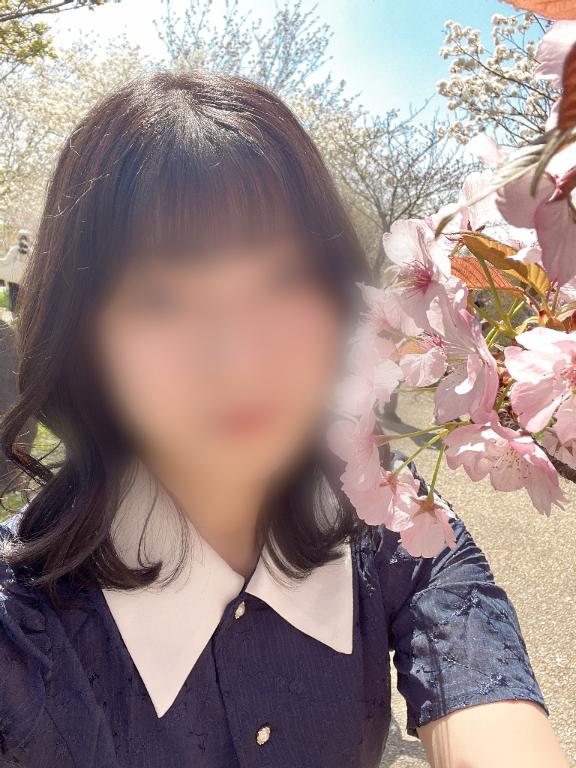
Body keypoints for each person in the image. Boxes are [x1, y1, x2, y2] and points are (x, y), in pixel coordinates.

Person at [0, 72, 568, 768]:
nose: (240, 362)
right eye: (162, 300)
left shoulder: (389, 518)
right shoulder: (19, 631)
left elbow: (478, 673)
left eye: (282, 282)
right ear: (83, 336)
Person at [0, 230, 29, 312]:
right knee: (20, 294)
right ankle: (20, 311)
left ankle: (14, 311)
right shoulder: (30, 251)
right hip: (23, 277)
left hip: (12, 276)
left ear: (18, 238)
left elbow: (5, 261)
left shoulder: (14, 249)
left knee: (12, 294)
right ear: (27, 239)